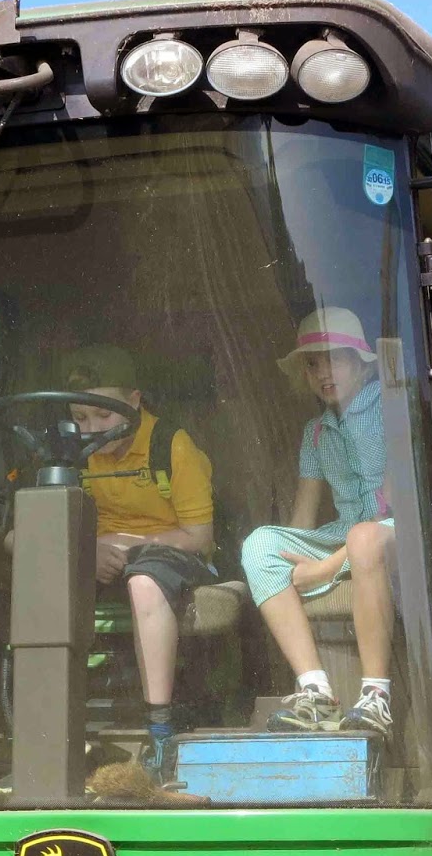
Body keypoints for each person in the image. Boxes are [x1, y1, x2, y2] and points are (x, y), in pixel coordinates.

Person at [240, 307, 397, 735]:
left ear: (361, 364)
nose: (323, 371)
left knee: (365, 536)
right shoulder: (315, 432)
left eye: (335, 359)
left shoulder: (391, 409)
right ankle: (315, 691)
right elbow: (302, 524)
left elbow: (392, 509)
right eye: (312, 363)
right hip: (350, 533)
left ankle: (376, 697)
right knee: (259, 543)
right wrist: (289, 563)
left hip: (400, 531)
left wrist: (325, 568)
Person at [61, 346, 216, 771]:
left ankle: (160, 731)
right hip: (102, 551)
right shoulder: (75, 454)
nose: (92, 429)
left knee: (144, 581)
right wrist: (88, 552)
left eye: (104, 416)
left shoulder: (172, 446)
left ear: (133, 401)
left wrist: (126, 544)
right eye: (81, 418)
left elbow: (200, 537)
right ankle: (51, 726)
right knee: (47, 571)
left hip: (173, 553)